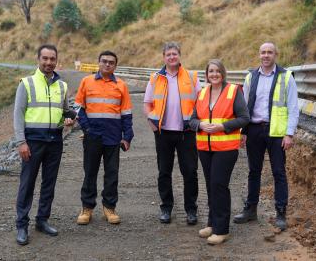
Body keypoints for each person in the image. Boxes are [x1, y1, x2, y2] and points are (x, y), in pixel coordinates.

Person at [233, 42, 299, 231]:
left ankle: (280, 212)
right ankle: (251, 209)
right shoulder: (250, 77)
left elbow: (293, 107)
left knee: (279, 172)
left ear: (276, 54)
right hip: (253, 130)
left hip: (277, 132)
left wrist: (289, 133)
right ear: (259, 55)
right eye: (263, 52)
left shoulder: (286, 77)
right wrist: (243, 132)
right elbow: (243, 107)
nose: (266, 55)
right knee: (254, 171)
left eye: (270, 52)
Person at [13, 44, 76, 245]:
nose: (49, 62)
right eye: (45, 58)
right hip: (32, 142)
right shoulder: (27, 83)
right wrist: (21, 142)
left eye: (52, 59)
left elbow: (67, 111)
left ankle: (42, 220)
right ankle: (22, 225)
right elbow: (18, 115)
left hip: (55, 141)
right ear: (38, 59)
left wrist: (71, 119)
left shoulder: (62, 86)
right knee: (27, 184)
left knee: (49, 183)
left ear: (57, 61)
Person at [190, 59, 249, 245]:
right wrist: (199, 124)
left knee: (219, 185)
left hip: (225, 148)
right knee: (210, 185)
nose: (214, 74)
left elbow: (244, 118)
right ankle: (212, 223)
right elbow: (191, 120)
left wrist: (221, 127)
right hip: (205, 148)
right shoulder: (201, 93)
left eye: (217, 71)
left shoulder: (233, 91)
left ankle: (222, 230)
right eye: (210, 71)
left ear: (223, 73)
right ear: (206, 74)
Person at [143, 42, 202, 225]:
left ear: (179, 55)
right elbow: (147, 103)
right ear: (163, 57)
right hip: (163, 133)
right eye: (168, 54)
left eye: (174, 54)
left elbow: (201, 102)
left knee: (190, 172)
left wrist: (196, 123)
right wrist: (152, 121)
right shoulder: (155, 78)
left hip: (187, 133)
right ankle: (166, 208)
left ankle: (191, 210)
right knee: (164, 172)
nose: (171, 57)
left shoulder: (192, 77)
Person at [74, 50, 133, 225]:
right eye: (104, 61)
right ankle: (87, 208)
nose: (107, 64)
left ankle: (109, 207)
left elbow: (127, 113)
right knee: (90, 172)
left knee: (112, 174)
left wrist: (127, 136)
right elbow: (78, 108)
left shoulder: (121, 85)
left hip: (113, 137)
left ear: (115, 66)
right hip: (92, 136)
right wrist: (86, 128)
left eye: (111, 62)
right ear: (98, 63)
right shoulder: (86, 81)